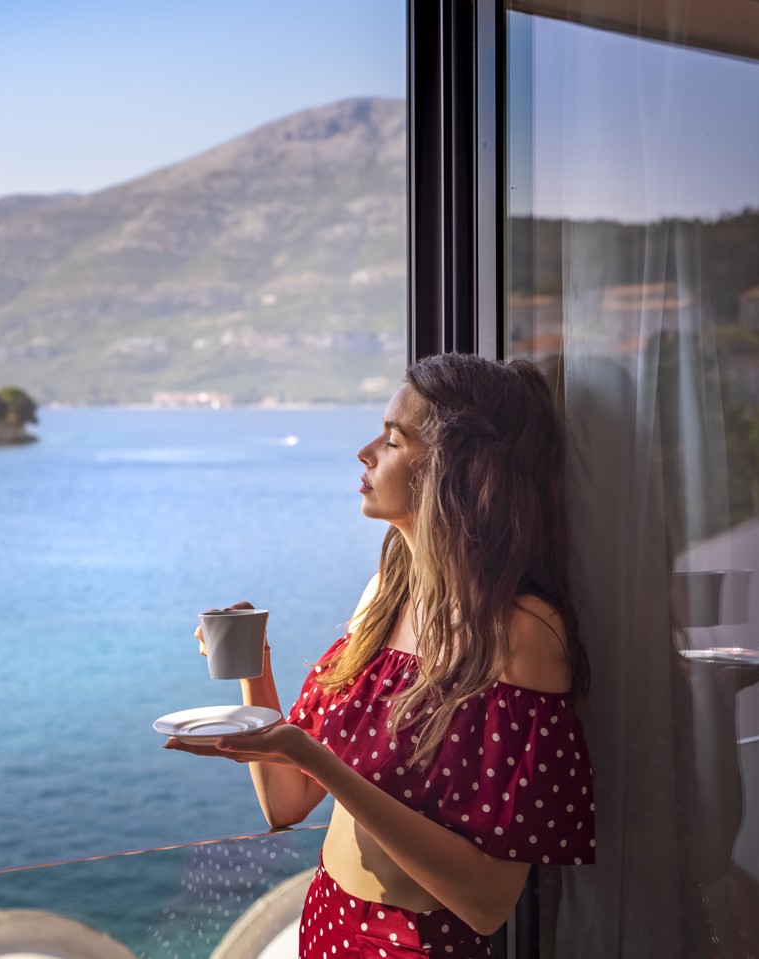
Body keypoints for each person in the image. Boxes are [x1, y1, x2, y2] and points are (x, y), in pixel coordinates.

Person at [165, 354, 595, 959]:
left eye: (393, 440)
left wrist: (318, 759)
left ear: (458, 470)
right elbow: (286, 803)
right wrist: (252, 665)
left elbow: (487, 902)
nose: (364, 452)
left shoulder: (522, 635)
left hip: (416, 946)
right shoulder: (385, 598)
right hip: (325, 919)